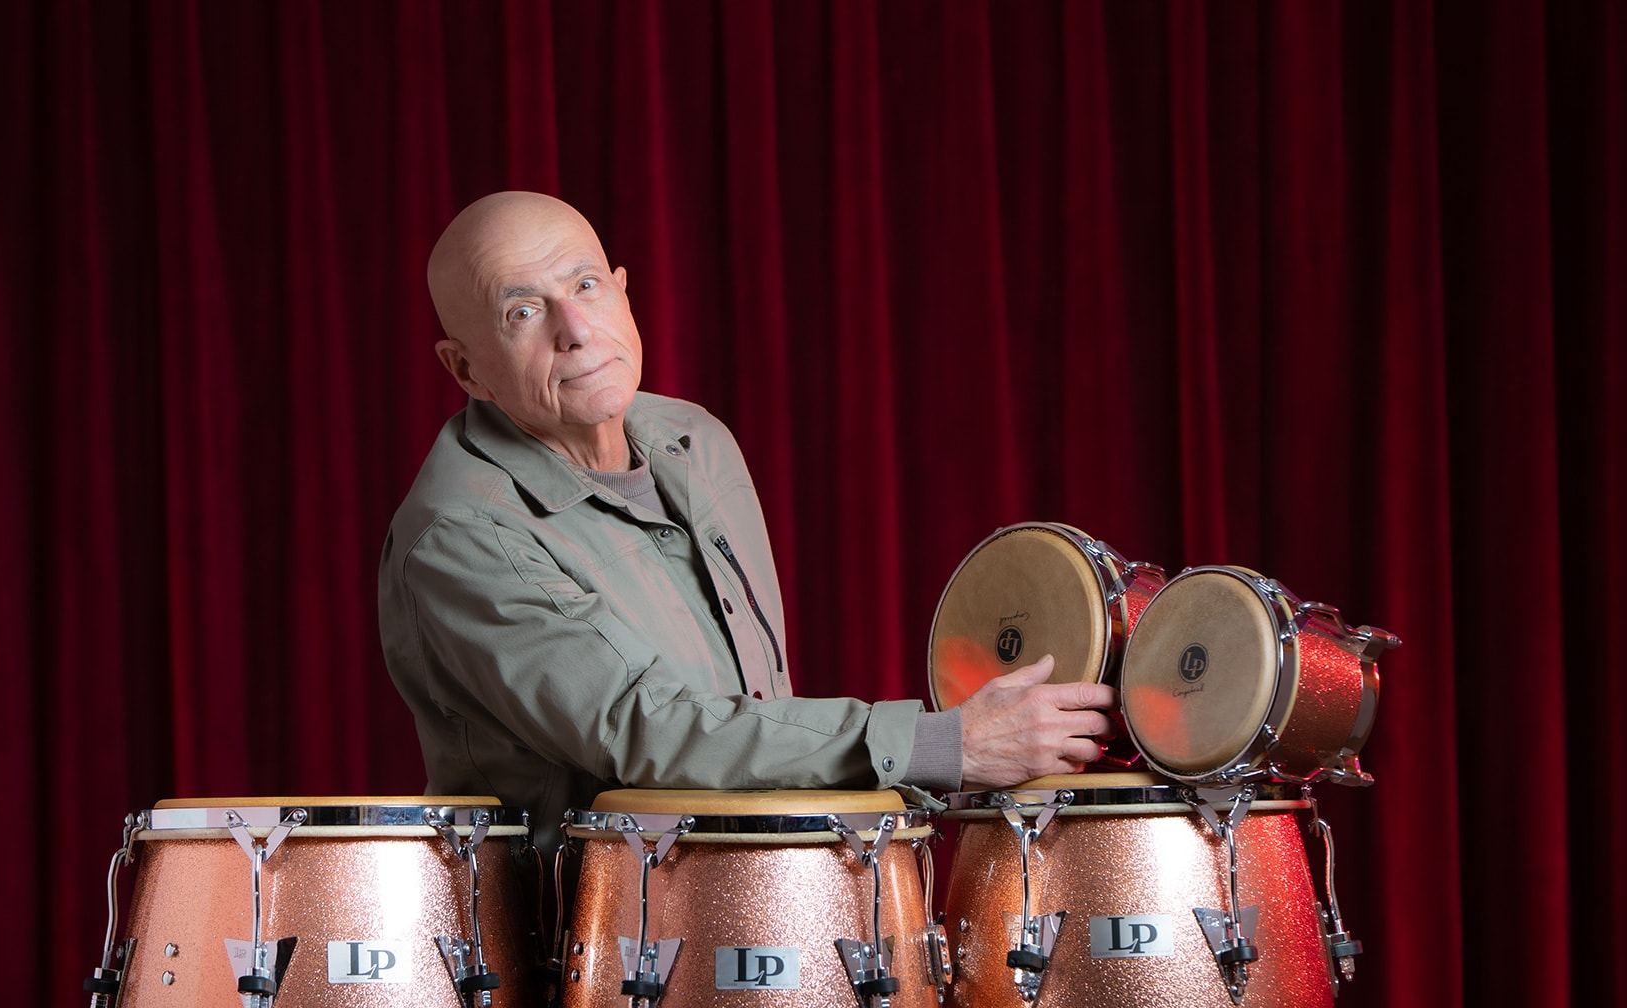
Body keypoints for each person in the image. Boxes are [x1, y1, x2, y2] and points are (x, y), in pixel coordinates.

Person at [379, 191, 1115, 841]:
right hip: (589, 955)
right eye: (523, 311)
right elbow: (645, 729)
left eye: (586, 284)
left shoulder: (696, 442)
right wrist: (937, 746)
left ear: (625, 294)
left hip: (763, 898)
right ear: (465, 369)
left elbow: (757, 710)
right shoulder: (462, 536)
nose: (574, 328)